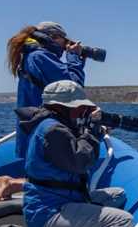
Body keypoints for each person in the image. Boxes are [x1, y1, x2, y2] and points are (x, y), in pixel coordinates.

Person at [16, 80, 133, 227]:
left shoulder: (55, 125)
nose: (83, 112)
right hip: (48, 212)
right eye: (80, 108)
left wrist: (92, 131)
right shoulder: (53, 130)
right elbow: (80, 161)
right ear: (63, 107)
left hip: (61, 200)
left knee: (117, 194)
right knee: (120, 221)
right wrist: (91, 132)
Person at [7, 21, 89, 159]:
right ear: (54, 37)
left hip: (34, 129)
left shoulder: (30, 55)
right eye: (65, 41)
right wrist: (74, 58)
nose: (65, 47)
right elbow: (73, 86)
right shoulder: (40, 56)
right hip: (45, 132)